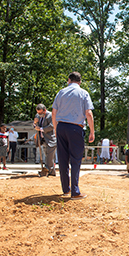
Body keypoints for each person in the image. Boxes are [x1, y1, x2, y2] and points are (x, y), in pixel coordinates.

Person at [52, 71, 95, 199]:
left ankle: (66, 189)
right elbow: (88, 113)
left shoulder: (61, 92)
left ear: (68, 80)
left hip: (61, 127)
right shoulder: (83, 93)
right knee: (75, 160)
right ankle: (75, 192)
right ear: (80, 82)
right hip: (76, 128)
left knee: (63, 159)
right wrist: (92, 131)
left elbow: (54, 113)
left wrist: (56, 129)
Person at [34, 104, 57, 176]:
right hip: (42, 139)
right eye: (38, 113)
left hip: (51, 139)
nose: (39, 114)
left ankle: (46, 169)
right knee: (47, 155)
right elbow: (35, 126)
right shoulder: (37, 116)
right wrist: (35, 123)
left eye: (41, 113)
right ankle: (52, 172)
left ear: (45, 110)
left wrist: (41, 129)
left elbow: (52, 126)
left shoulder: (50, 115)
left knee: (49, 157)